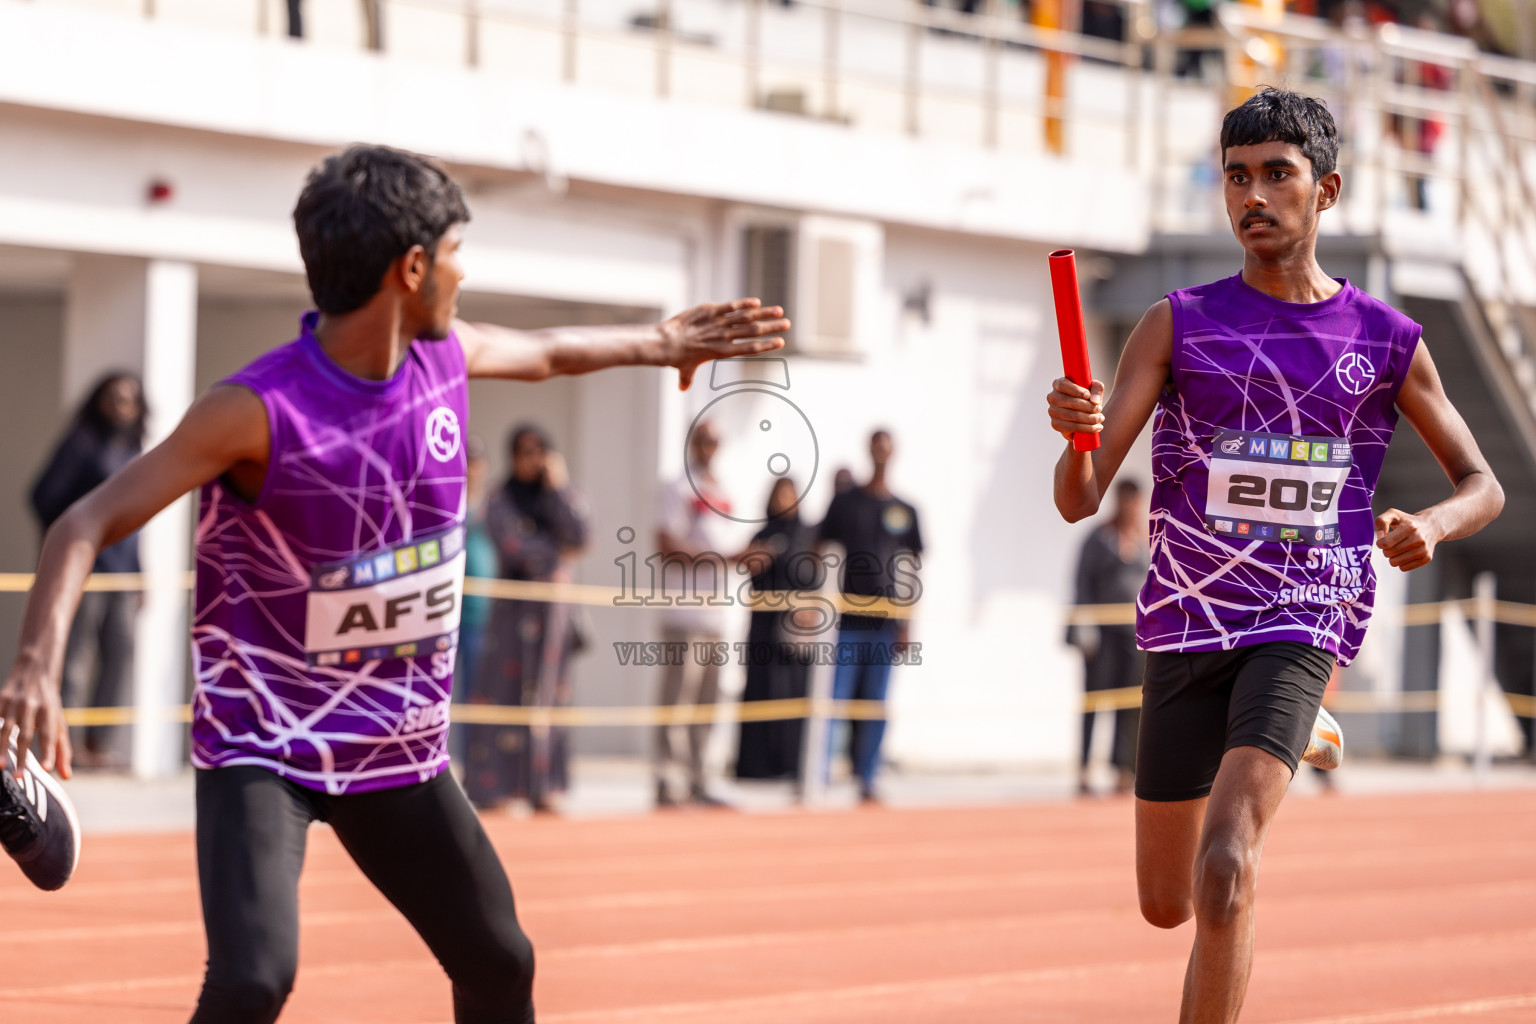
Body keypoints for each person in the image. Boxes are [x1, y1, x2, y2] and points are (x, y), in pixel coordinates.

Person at [0, 144, 788, 1022]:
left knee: (501, 961)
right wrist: (35, 664)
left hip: (393, 751)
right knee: (254, 979)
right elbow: (83, 522)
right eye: (457, 252)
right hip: (266, 745)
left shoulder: (446, 360)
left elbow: (553, 352)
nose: (463, 271)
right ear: (411, 269)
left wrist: (665, 342)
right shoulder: (256, 411)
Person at [1046, 88, 1502, 1023]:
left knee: (1226, 872)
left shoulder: (1385, 339)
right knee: (1167, 902)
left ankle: (1295, 716)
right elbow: (1079, 500)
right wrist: (1077, 436)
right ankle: (1300, 734)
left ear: (1325, 190)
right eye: (1237, 177)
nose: (1254, 195)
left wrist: (1434, 526)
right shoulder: (1175, 324)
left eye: (1278, 175)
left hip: (1307, 611)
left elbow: (1483, 484)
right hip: (1187, 613)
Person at [464, 425, 588, 813]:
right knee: (502, 694)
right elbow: (512, 545)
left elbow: (582, 534)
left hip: (552, 614)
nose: (532, 459)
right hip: (512, 614)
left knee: (550, 695)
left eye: (539, 451)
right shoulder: (502, 497)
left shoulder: (557, 495)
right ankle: (495, 787)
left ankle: (544, 788)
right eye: (524, 451)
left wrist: (560, 487)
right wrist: (556, 555)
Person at [29, 372, 146, 770]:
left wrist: (139, 572)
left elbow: (135, 519)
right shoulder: (82, 443)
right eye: (114, 397)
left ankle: (99, 745)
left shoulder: (133, 448)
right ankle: (67, 744)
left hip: (121, 573)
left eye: (129, 398)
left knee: (120, 653)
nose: (121, 405)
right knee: (74, 657)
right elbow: (42, 497)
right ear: (98, 400)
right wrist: (73, 544)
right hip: (84, 570)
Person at [817, 429, 923, 804]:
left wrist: (908, 623)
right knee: (835, 698)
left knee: (875, 704)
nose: (881, 452)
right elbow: (819, 549)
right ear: (869, 450)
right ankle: (821, 774)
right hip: (847, 620)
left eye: (886, 446)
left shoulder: (905, 510)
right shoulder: (846, 503)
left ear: (893, 452)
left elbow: (912, 569)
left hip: (885, 623)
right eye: (876, 446)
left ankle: (868, 776)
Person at [653, 419, 736, 808]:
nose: (709, 448)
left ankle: (700, 776)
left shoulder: (722, 488)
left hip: (715, 614)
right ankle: (668, 779)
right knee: (677, 699)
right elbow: (667, 543)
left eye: (715, 441)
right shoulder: (677, 487)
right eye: (703, 440)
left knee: (708, 701)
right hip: (683, 612)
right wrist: (723, 558)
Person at [734, 476, 823, 784]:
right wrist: (755, 560)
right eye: (780, 494)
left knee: (794, 694)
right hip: (764, 630)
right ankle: (756, 766)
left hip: (796, 633)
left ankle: (791, 763)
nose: (785, 500)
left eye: (790, 494)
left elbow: (817, 577)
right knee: (761, 693)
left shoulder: (809, 536)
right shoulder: (762, 535)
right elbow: (747, 570)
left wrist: (811, 608)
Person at [1068, 478, 1147, 796]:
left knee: (1129, 705)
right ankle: (1085, 768)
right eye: (1125, 500)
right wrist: (1083, 629)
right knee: (1093, 701)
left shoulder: (1145, 539)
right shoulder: (1098, 538)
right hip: (1100, 635)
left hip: (1133, 636)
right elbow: (1081, 584)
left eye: (1134, 501)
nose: (1129, 507)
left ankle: (1123, 769)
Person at [449, 435, 496, 765]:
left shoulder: (495, 505)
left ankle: (474, 764)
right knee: (443, 693)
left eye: (476, 461)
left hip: (484, 613)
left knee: (477, 694)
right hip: (448, 612)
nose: (472, 469)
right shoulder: (446, 498)